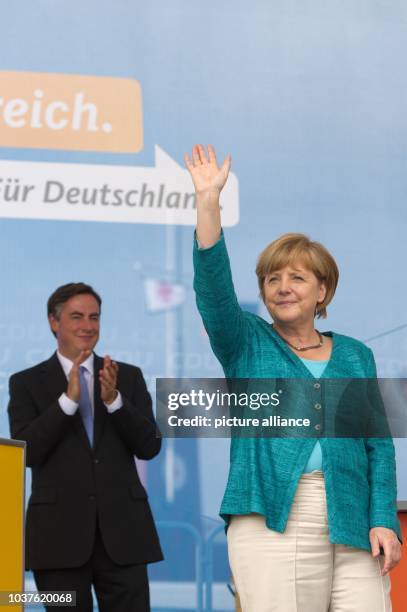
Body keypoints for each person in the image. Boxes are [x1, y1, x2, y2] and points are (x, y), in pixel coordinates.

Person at [185, 144, 402, 612]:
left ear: (323, 290)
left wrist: (383, 517)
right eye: (271, 278)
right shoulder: (247, 344)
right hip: (272, 517)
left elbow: (378, 447)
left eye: (297, 278)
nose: (283, 287)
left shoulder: (355, 355)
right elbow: (214, 290)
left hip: (352, 516)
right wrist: (208, 201)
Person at [8, 283, 162, 612]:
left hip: (124, 537)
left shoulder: (127, 378)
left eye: (94, 317)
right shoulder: (25, 383)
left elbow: (149, 446)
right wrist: (68, 401)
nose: (87, 326)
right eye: (76, 316)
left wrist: (115, 402)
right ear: (54, 322)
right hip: (57, 540)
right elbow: (27, 453)